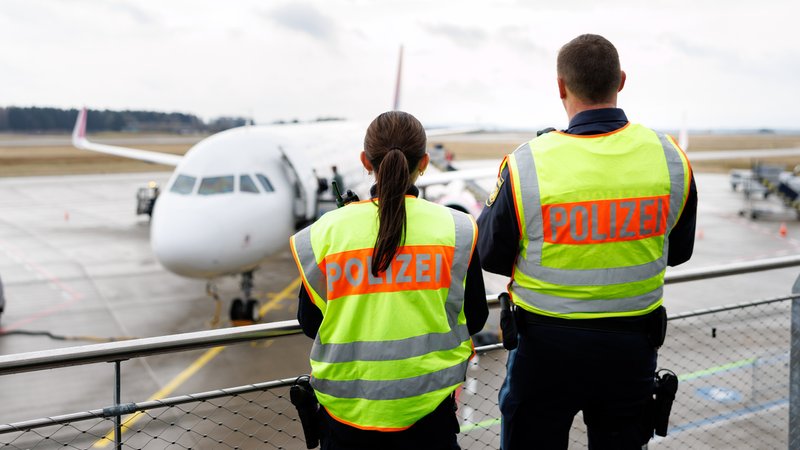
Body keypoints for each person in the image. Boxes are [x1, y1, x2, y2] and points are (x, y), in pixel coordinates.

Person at [477, 34, 697, 449]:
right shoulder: (670, 157)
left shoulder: (528, 163)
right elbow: (679, 251)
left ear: (561, 87)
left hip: (544, 350)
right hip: (630, 350)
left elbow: (490, 255)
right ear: (622, 81)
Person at [290, 110, 488, 450]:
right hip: (429, 418)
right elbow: (476, 317)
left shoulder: (326, 233)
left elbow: (310, 323)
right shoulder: (456, 229)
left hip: (346, 420)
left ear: (366, 161)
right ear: (424, 162)